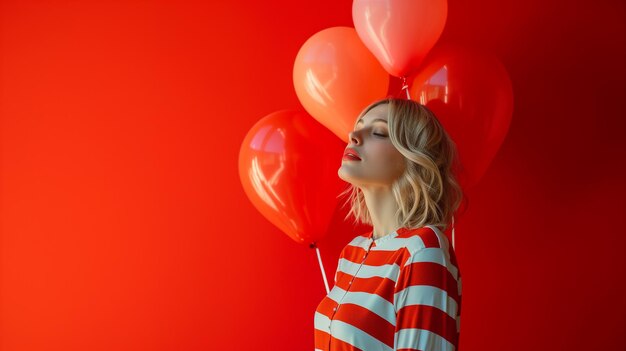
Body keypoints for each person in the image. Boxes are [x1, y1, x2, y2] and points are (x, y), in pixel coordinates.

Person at [313, 97, 466, 351]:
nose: (353, 135)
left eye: (379, 132)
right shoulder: (351, 253)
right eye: (358, 125)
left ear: (412, 158)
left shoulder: (422, 249)